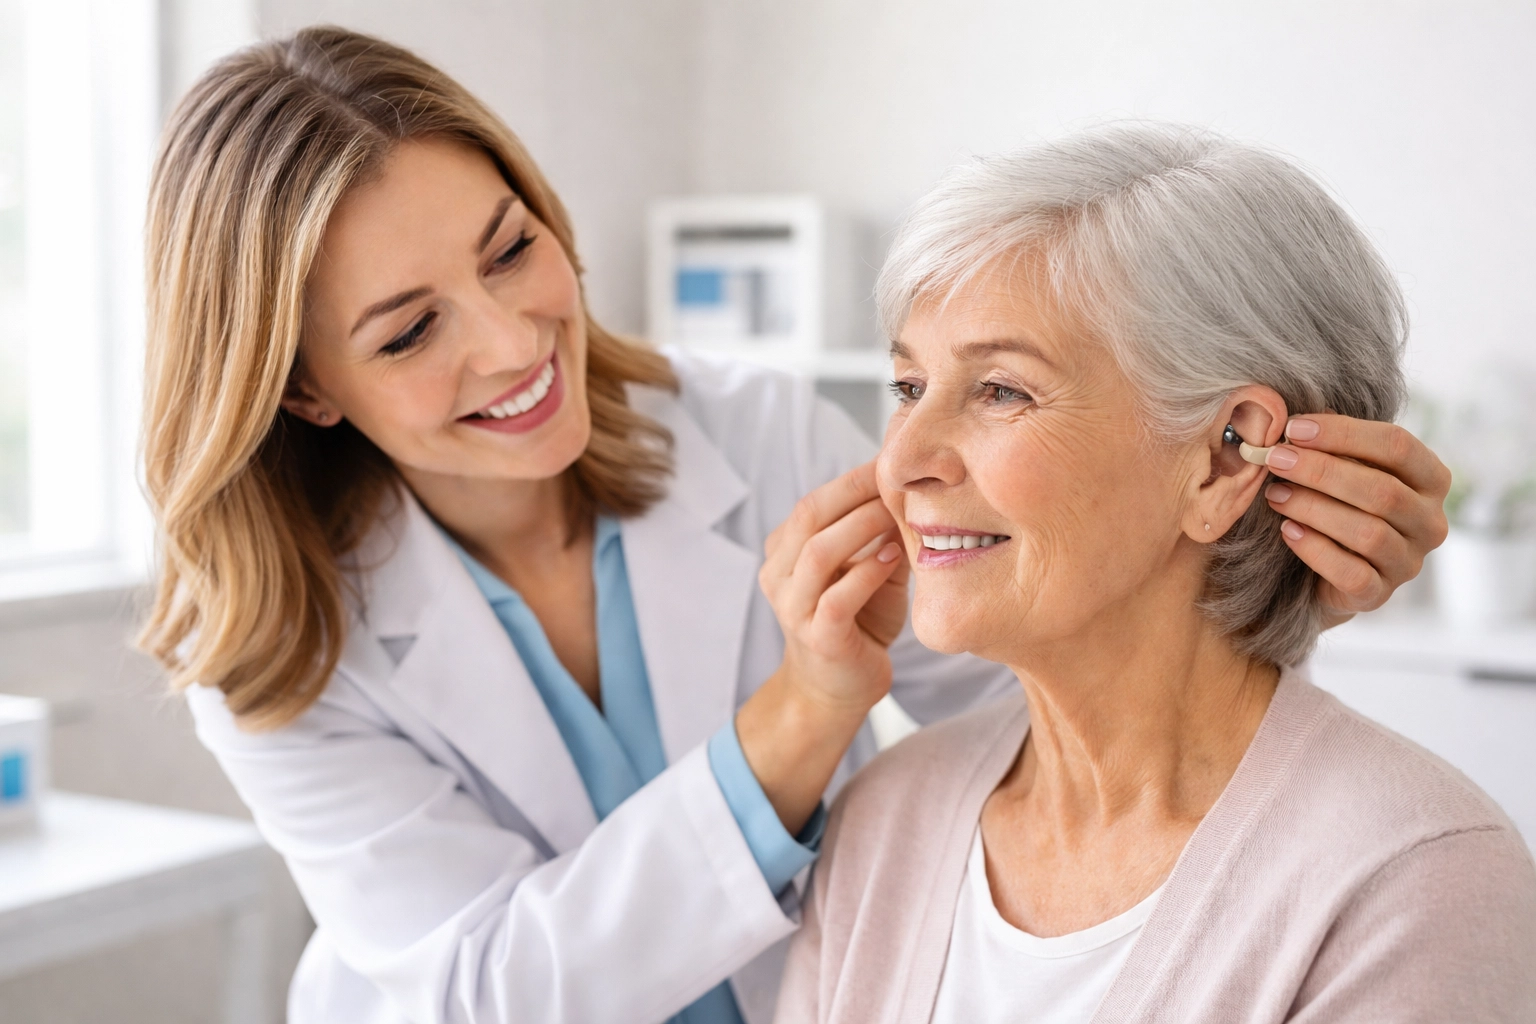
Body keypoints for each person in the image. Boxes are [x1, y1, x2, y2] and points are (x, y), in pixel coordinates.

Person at [137, 28, 1451, 1024]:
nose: (511, 342)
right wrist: (804, 713)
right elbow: (493, 991)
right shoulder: (272, 651)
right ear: (302, 387)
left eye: (509, 249)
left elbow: (1060, 699)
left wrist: (1254, 565)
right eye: (410, 330)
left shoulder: (751, 433)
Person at [772, 123, 1536, 1023]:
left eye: (1002, 390)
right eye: (908, 388)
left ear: (1222, 459)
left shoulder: (1413, 882)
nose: (901, 462)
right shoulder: (885, 821)